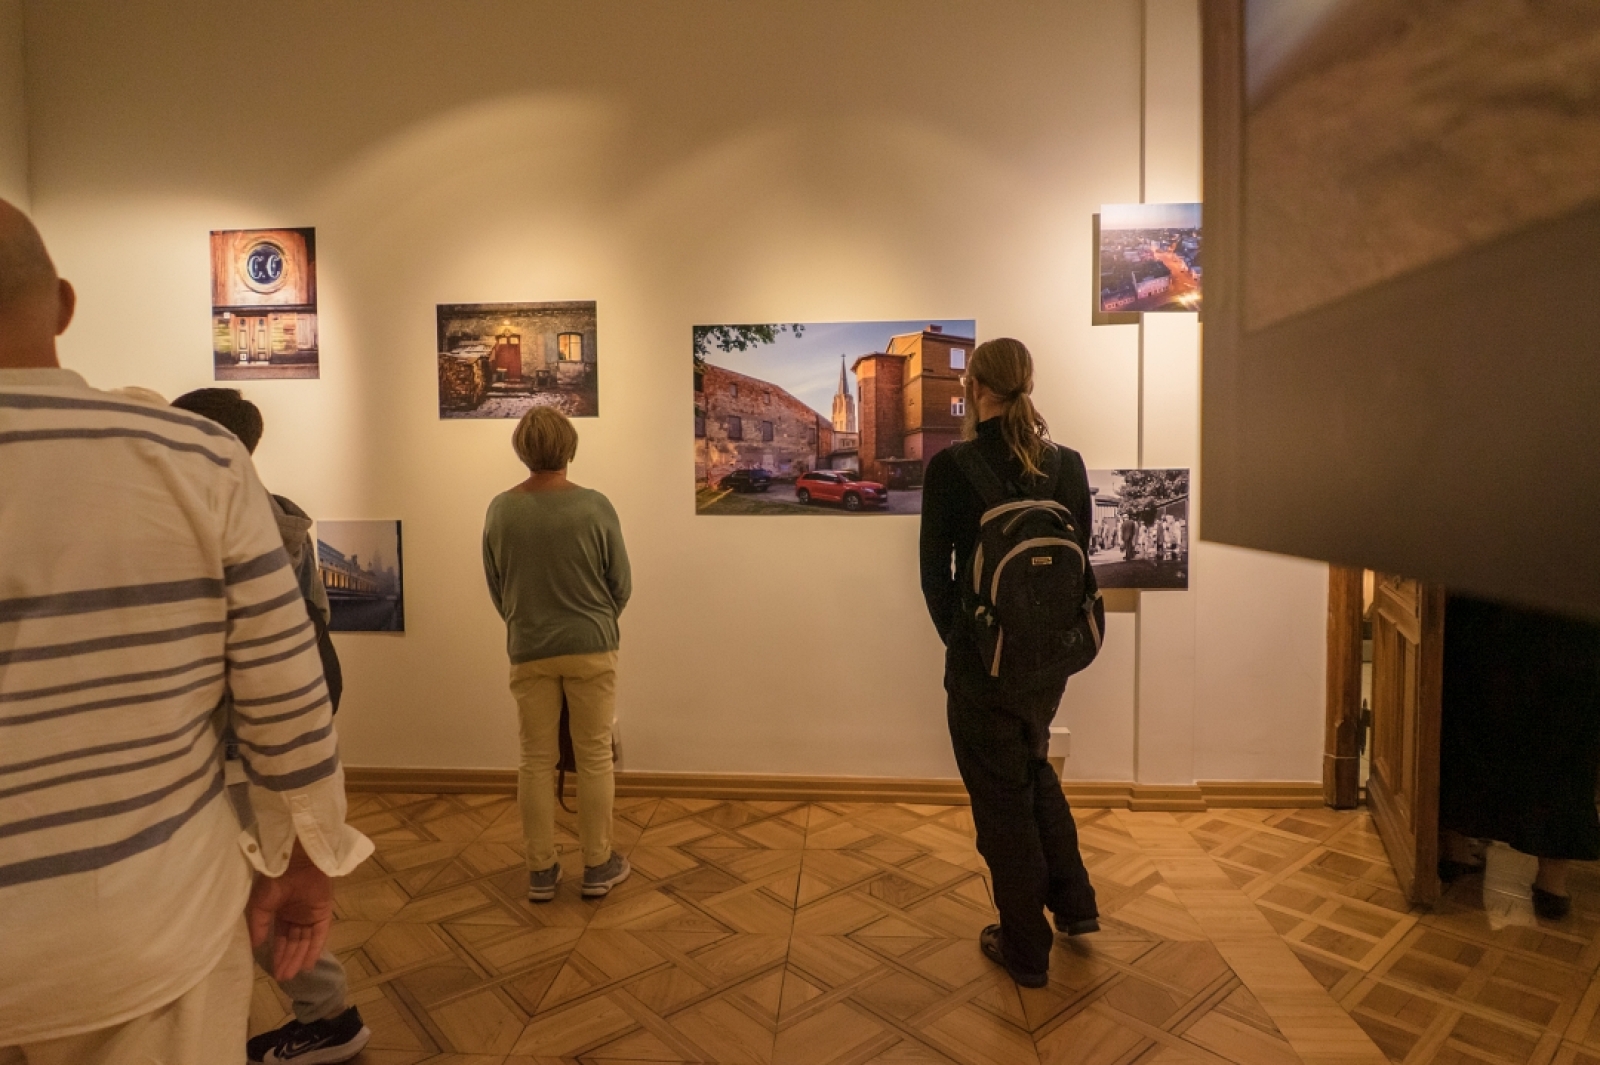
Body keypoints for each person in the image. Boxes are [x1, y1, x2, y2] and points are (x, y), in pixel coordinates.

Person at [0, 199, 371, 1063]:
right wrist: (303, 858)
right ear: (63, 303)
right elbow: (287, 700)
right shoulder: (197, 460)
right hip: (147, 928)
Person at [169, 388, 369, 1064]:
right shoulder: (280, 520)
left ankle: (326, 1015)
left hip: (216, 745)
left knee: (244, 894)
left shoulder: (201, 522)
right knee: (258, 884)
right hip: (262, 744)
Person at [919, 337, 1099, 989]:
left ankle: (1025, 948)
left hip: (982, 662)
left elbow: (934, 574)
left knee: (1000, 800)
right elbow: (1079, 566)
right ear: (1028, 382)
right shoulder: (1068, 465)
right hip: (1049, 664)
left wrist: (965, 644)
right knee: (1031, 766)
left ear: (974, 388)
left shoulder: (952, 466)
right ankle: (1074, 902)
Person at [482, 406, 633, 902]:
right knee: (594, 756)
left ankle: (541, 871)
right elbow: (621, 583)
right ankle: (597, 864)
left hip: (530, 647)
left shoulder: (501, 509)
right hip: (592, 644)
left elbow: (498, 587)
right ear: (569, 447)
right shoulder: (594, 506)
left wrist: (527, 620)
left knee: (534, 759)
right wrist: (594, 618)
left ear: (522, 450)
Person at [1437, 594, 1600, 919]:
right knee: (1565, 744)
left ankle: (1455, 850)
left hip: (1487, 605)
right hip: (1569, 614)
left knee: (1469, 723)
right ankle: (1552, 885)